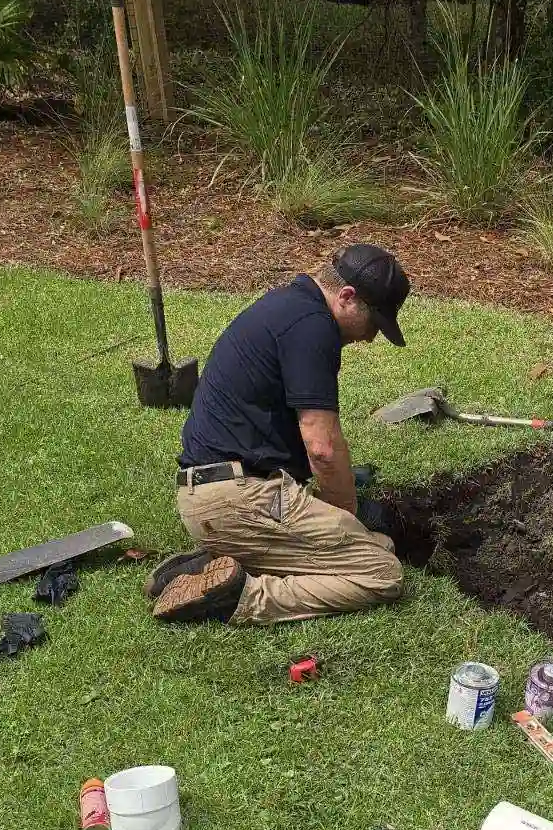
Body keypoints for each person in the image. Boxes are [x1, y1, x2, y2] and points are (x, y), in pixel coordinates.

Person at [148, 244, 410, 625]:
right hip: (241, 499)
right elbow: (321, 448)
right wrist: (347, 518)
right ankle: (241, 596)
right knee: (382, 572)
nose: (371, 337)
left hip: (210, 493)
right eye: (374, 322)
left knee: (379, 544)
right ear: (347, 296)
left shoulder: (288, 307)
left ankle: (223, 560)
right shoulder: (312, 327)